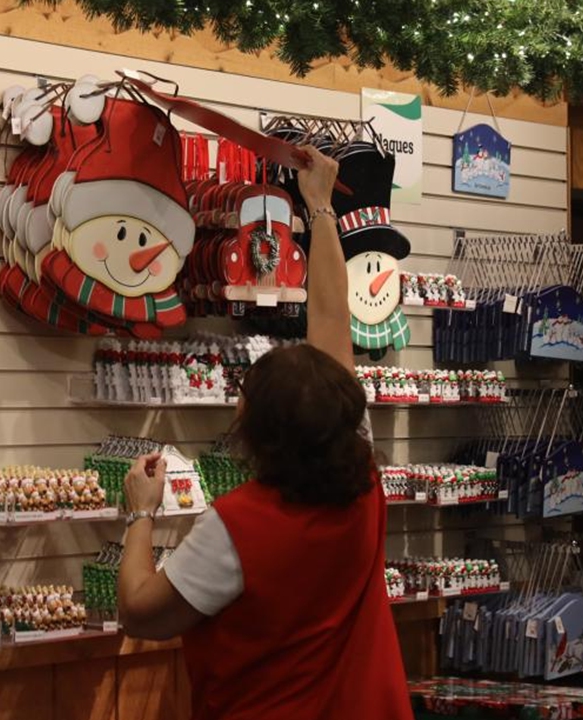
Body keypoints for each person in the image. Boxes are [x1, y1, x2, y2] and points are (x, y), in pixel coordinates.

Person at [116, 145, 414, 719]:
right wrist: (320, 209)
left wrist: (140, 513)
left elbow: (139, 611)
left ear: (260, 433)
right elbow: (332, 324)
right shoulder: (362, 485)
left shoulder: (235, 527)